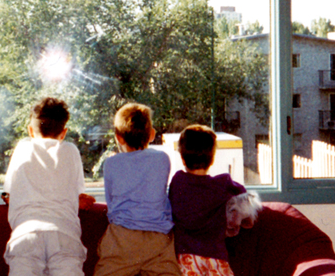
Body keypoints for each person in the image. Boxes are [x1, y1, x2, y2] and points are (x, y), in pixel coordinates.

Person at [3, 97, 95, 276]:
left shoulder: (22, 148)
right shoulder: (71, 151)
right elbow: (77, 193)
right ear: (64, 132)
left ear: (30, 130)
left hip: (26, 234)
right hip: (64, 234)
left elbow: (9, 194)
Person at [94, 103, 181, 276]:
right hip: (158, 238)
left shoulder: (111, 163)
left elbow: (111, 204)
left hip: (122, 238)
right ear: (151, 135)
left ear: (118, 137)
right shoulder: (162, 158)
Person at [168, 124, 258, 276]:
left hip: (185, 259)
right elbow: (243, 195)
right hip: (216, 259)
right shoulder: (223, 184)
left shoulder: (177, 183)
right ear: (212, 158)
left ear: (183, 159)